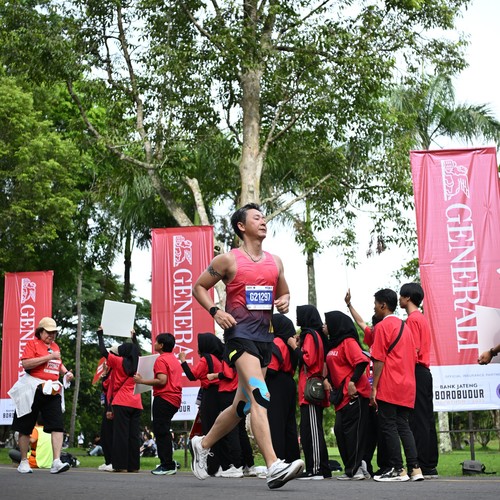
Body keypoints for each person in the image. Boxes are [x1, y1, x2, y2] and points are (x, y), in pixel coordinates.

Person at [190, 203, 304, 490]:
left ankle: (202, 444)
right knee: (260, 395)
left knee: (241, 407)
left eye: (264, 218)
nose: (263, 221)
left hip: (265, 340)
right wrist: (216, 311)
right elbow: (198, 287)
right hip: (239, 337)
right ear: (241, 226)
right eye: (256, 218)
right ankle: (273, 465)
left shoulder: (275, 262)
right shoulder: (228, 260)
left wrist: (285, 300)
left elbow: (284, 291)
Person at [369, 289, 423, 482]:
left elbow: (378, 360)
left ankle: (398, 469)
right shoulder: (405, 326)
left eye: (375, 304)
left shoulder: (382, 327)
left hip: (390, 383)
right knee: (403, 426)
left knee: (389, 426)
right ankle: (415, 469)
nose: (374, 308)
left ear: (383, 305)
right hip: (408, 384)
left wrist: (374, 388)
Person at [8, 317, 74, 474]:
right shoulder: (32, 344)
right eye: (48, 332)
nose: (51, 335)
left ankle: (56, 461)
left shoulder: (55, 347)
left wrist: (66, 373)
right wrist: (49, 357)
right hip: (33, 388)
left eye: (54, 332)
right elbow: (26, 364)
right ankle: (24, 462)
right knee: (25, 426)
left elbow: (58, 363)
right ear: (40, 332)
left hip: (52, 389)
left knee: (58, 424)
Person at [323, 310, 371, 480]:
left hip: (355, 393)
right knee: (339, 430)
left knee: (352, 433)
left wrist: (352, 382)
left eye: (327, 323)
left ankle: (355, 469)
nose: (324, 326)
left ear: (336, 325)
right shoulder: (333, 344)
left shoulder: (348, 342)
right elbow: (335, 367)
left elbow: (361, 362)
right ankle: (358, 466)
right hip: (341, 396)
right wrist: (327, 379)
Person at [399, 283, 439, 479]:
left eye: (401, 296)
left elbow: (412, 349)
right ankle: (429, 464)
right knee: (426, 418)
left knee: (418, 419)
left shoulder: (413, 320)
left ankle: (423, 464)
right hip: (423, 372)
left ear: (407, 298)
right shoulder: (420, 318)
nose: (399, 299)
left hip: (416, 370)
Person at [134, 332, 183, 475]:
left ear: (161, 345)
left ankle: (167, 465)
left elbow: (162, 380)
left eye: (156, 342)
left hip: (164, 398)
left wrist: (141, 381)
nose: (154, 344)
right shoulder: (174, 359)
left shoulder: (161, 360)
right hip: (175, 399)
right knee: (164, 431)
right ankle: (168, 462)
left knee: (161, 431)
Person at [97, 327, 142, 473]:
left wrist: (100, 335)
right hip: (136, 402)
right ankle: (133, 466)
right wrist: (134, 338)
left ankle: (121, 465)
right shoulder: (139, 363)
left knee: (121, 435)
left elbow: (103, 352)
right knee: (134, 436)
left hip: (121, 402)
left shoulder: (118, 361)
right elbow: (137, 351)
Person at [179, 332, 224, 476]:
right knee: (218, 428)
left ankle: (212, 466)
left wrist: (183, 361)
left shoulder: (206, 359)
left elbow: (192, 376)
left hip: (210, 394)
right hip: (219, 393)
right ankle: (220, 464)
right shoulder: (217, 358)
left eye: (199, 344)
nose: (197, 346)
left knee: (209, 429)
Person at [296, 304, 331, 480]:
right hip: (309, 387)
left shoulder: (310, 335)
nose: (297, 318)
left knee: (312, 430)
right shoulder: (314, 335)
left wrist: (295, 348)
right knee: (309, 429)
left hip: (309, 388)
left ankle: (316, 469)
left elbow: (309, 360)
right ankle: (317, 467)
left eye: (299, 314)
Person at [266, 314, 300, 464]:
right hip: (289, 383)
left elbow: (272, 368)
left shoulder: (276, 342)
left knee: (276, 423)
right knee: (289, 424)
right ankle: (293, 460)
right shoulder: (289, 343)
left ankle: (278, 460)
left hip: (276, 382)